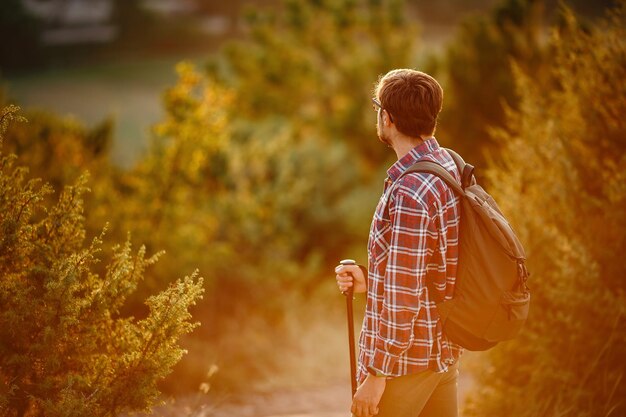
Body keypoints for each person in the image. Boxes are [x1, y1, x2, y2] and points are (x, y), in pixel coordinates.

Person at [335, 69, 463, 417]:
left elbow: (405, 292)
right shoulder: (447, 164)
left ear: (387, 118)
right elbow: (427, 268)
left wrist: (378, 374)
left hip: (405, 367)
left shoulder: (410, 191)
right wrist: (370, 280)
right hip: (441, 356)